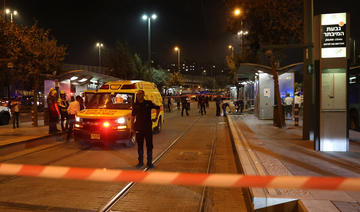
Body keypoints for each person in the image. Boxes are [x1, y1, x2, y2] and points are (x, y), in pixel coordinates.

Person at [131, 90, 160, 169]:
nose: (138, 96)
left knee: (149, 145)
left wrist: (156, 117)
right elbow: (132, 117)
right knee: (140, 146)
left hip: (147, 128)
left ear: (143, 95)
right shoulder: (135, 105)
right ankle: (140, 162)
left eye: (140, 94)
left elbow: (158, 108)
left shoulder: (148, 103)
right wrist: (132, 128)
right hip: (139, 128)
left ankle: (149, 163)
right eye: (137, 94)